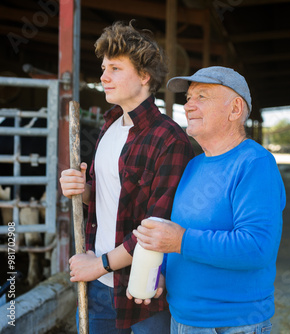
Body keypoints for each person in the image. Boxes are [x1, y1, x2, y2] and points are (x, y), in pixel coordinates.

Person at [59, 21, 194, 333]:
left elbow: (156, 226)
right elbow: (111, 196)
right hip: (98, 285)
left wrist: (101, 263)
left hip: (143, 290)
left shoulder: (170, 139)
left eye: (116, 68)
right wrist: (84, 190)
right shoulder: (109, 125)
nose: (104, 76)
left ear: (144, 76)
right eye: (104, 67)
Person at [131, 66, 286, 333]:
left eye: (202, 97)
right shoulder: (194, 166)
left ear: (235, 109)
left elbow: (257, 247)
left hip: (231, 324)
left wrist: (181, 240)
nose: (189, 106)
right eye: (188, 98)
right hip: (183, 319)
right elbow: (180, 231)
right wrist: (161, 274)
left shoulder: (255, 163)